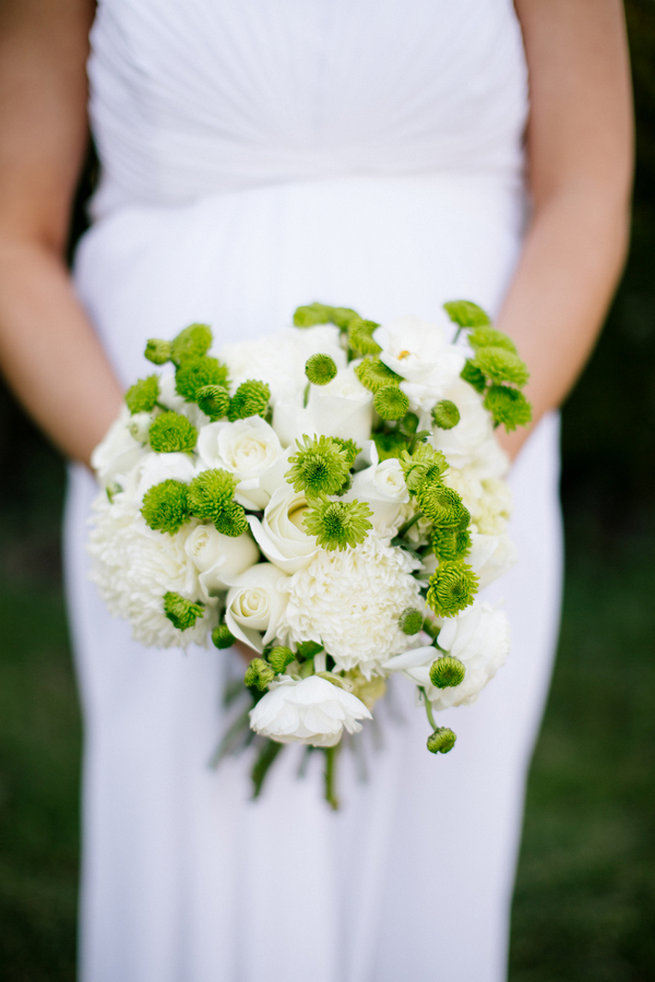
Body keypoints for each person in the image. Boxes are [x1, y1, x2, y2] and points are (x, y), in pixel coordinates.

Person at [0, 2, 632, 980]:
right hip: (151, 463)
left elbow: (587, 189)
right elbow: (9, 233)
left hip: (468, 458)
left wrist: (446, 484)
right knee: (186, 854)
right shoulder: (157, 490)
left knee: (430, 874)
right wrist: (163, 494)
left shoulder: (456, 481)